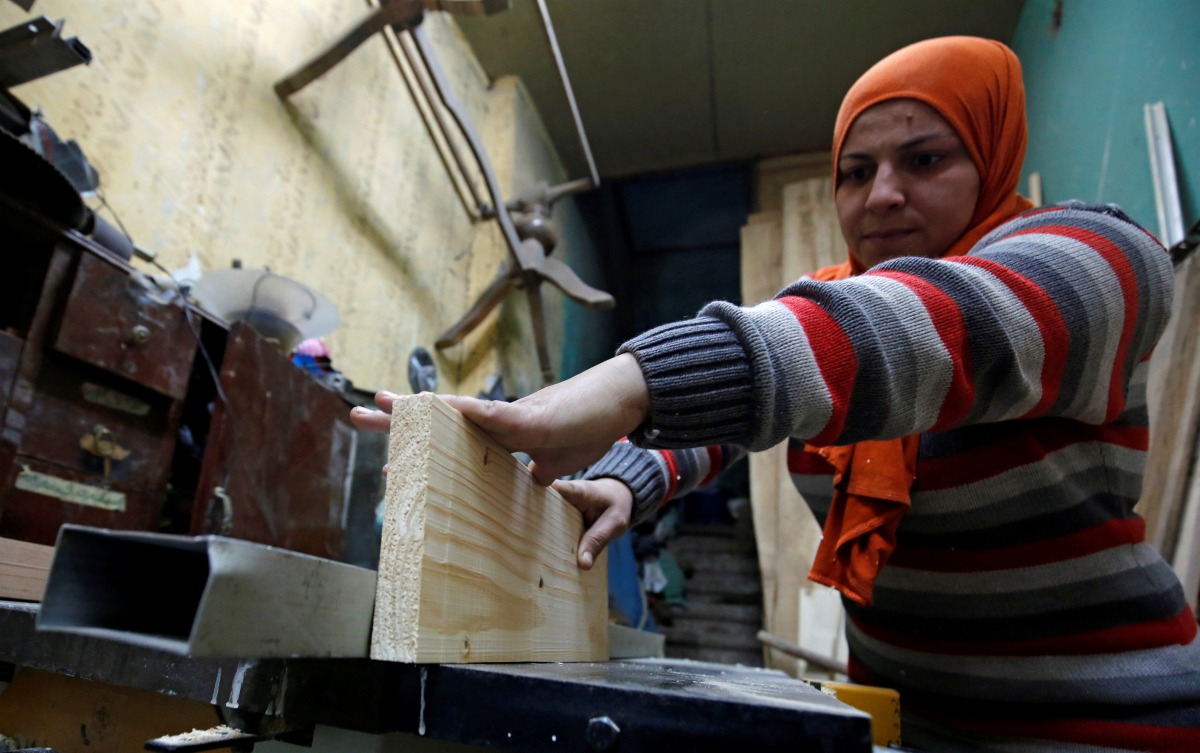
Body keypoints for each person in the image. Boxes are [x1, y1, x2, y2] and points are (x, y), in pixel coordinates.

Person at [352, 36, 1200, 752]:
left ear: (994, 153)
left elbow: (924, 333)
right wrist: (623, 477)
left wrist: (627, 381)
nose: (884, 194)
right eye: (857, 171)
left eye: (926, 159)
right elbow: (725, 421)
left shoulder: (1097, 258)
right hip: (911, 719)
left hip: (1112, 722)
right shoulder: (815, 310)